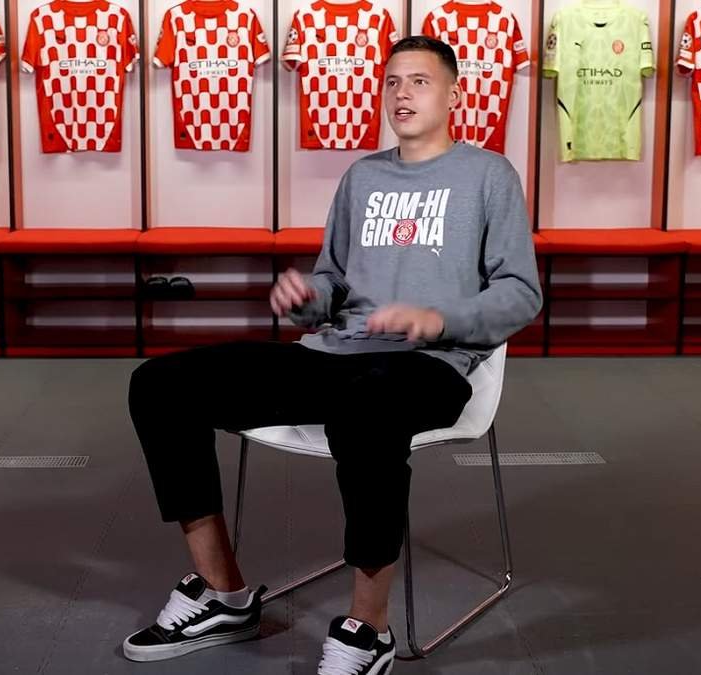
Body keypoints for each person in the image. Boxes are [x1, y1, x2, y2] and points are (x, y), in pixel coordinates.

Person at [123, 35, 542, 675]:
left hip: (430, 364)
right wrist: (306, 298)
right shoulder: (362, 177)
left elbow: (520, 293)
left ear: (455, 94)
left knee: (367, 408)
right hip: (335, 351)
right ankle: (223, 595)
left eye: (420, 81)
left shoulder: (489, 175)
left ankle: (368, 630)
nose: (402, 93)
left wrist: (440, 319)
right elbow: (333, 282)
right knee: (160, 383)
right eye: (392, 81)